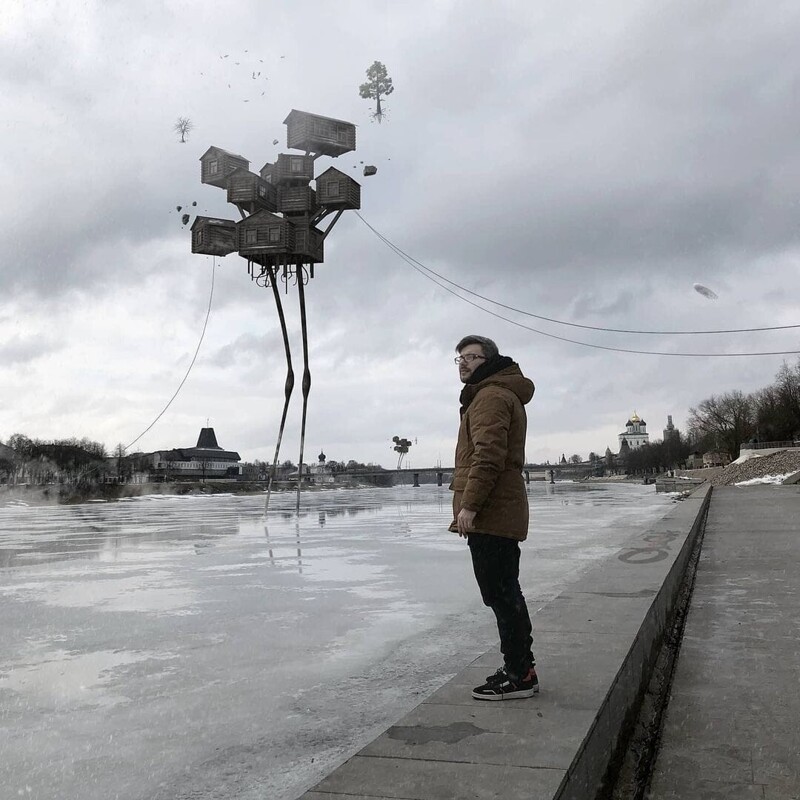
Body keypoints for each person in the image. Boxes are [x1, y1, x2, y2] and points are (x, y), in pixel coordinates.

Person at [449, 335, 538, 700]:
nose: (464, 363)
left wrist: (469, 506)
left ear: (489, 360)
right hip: (498, 509)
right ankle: (520, 666)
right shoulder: (492, 394)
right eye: (459, 358)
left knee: (501, 594)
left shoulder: (490, 396)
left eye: (471, 357)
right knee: (503, 592)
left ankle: (519, 674)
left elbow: (488, 457)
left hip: (492, 511)